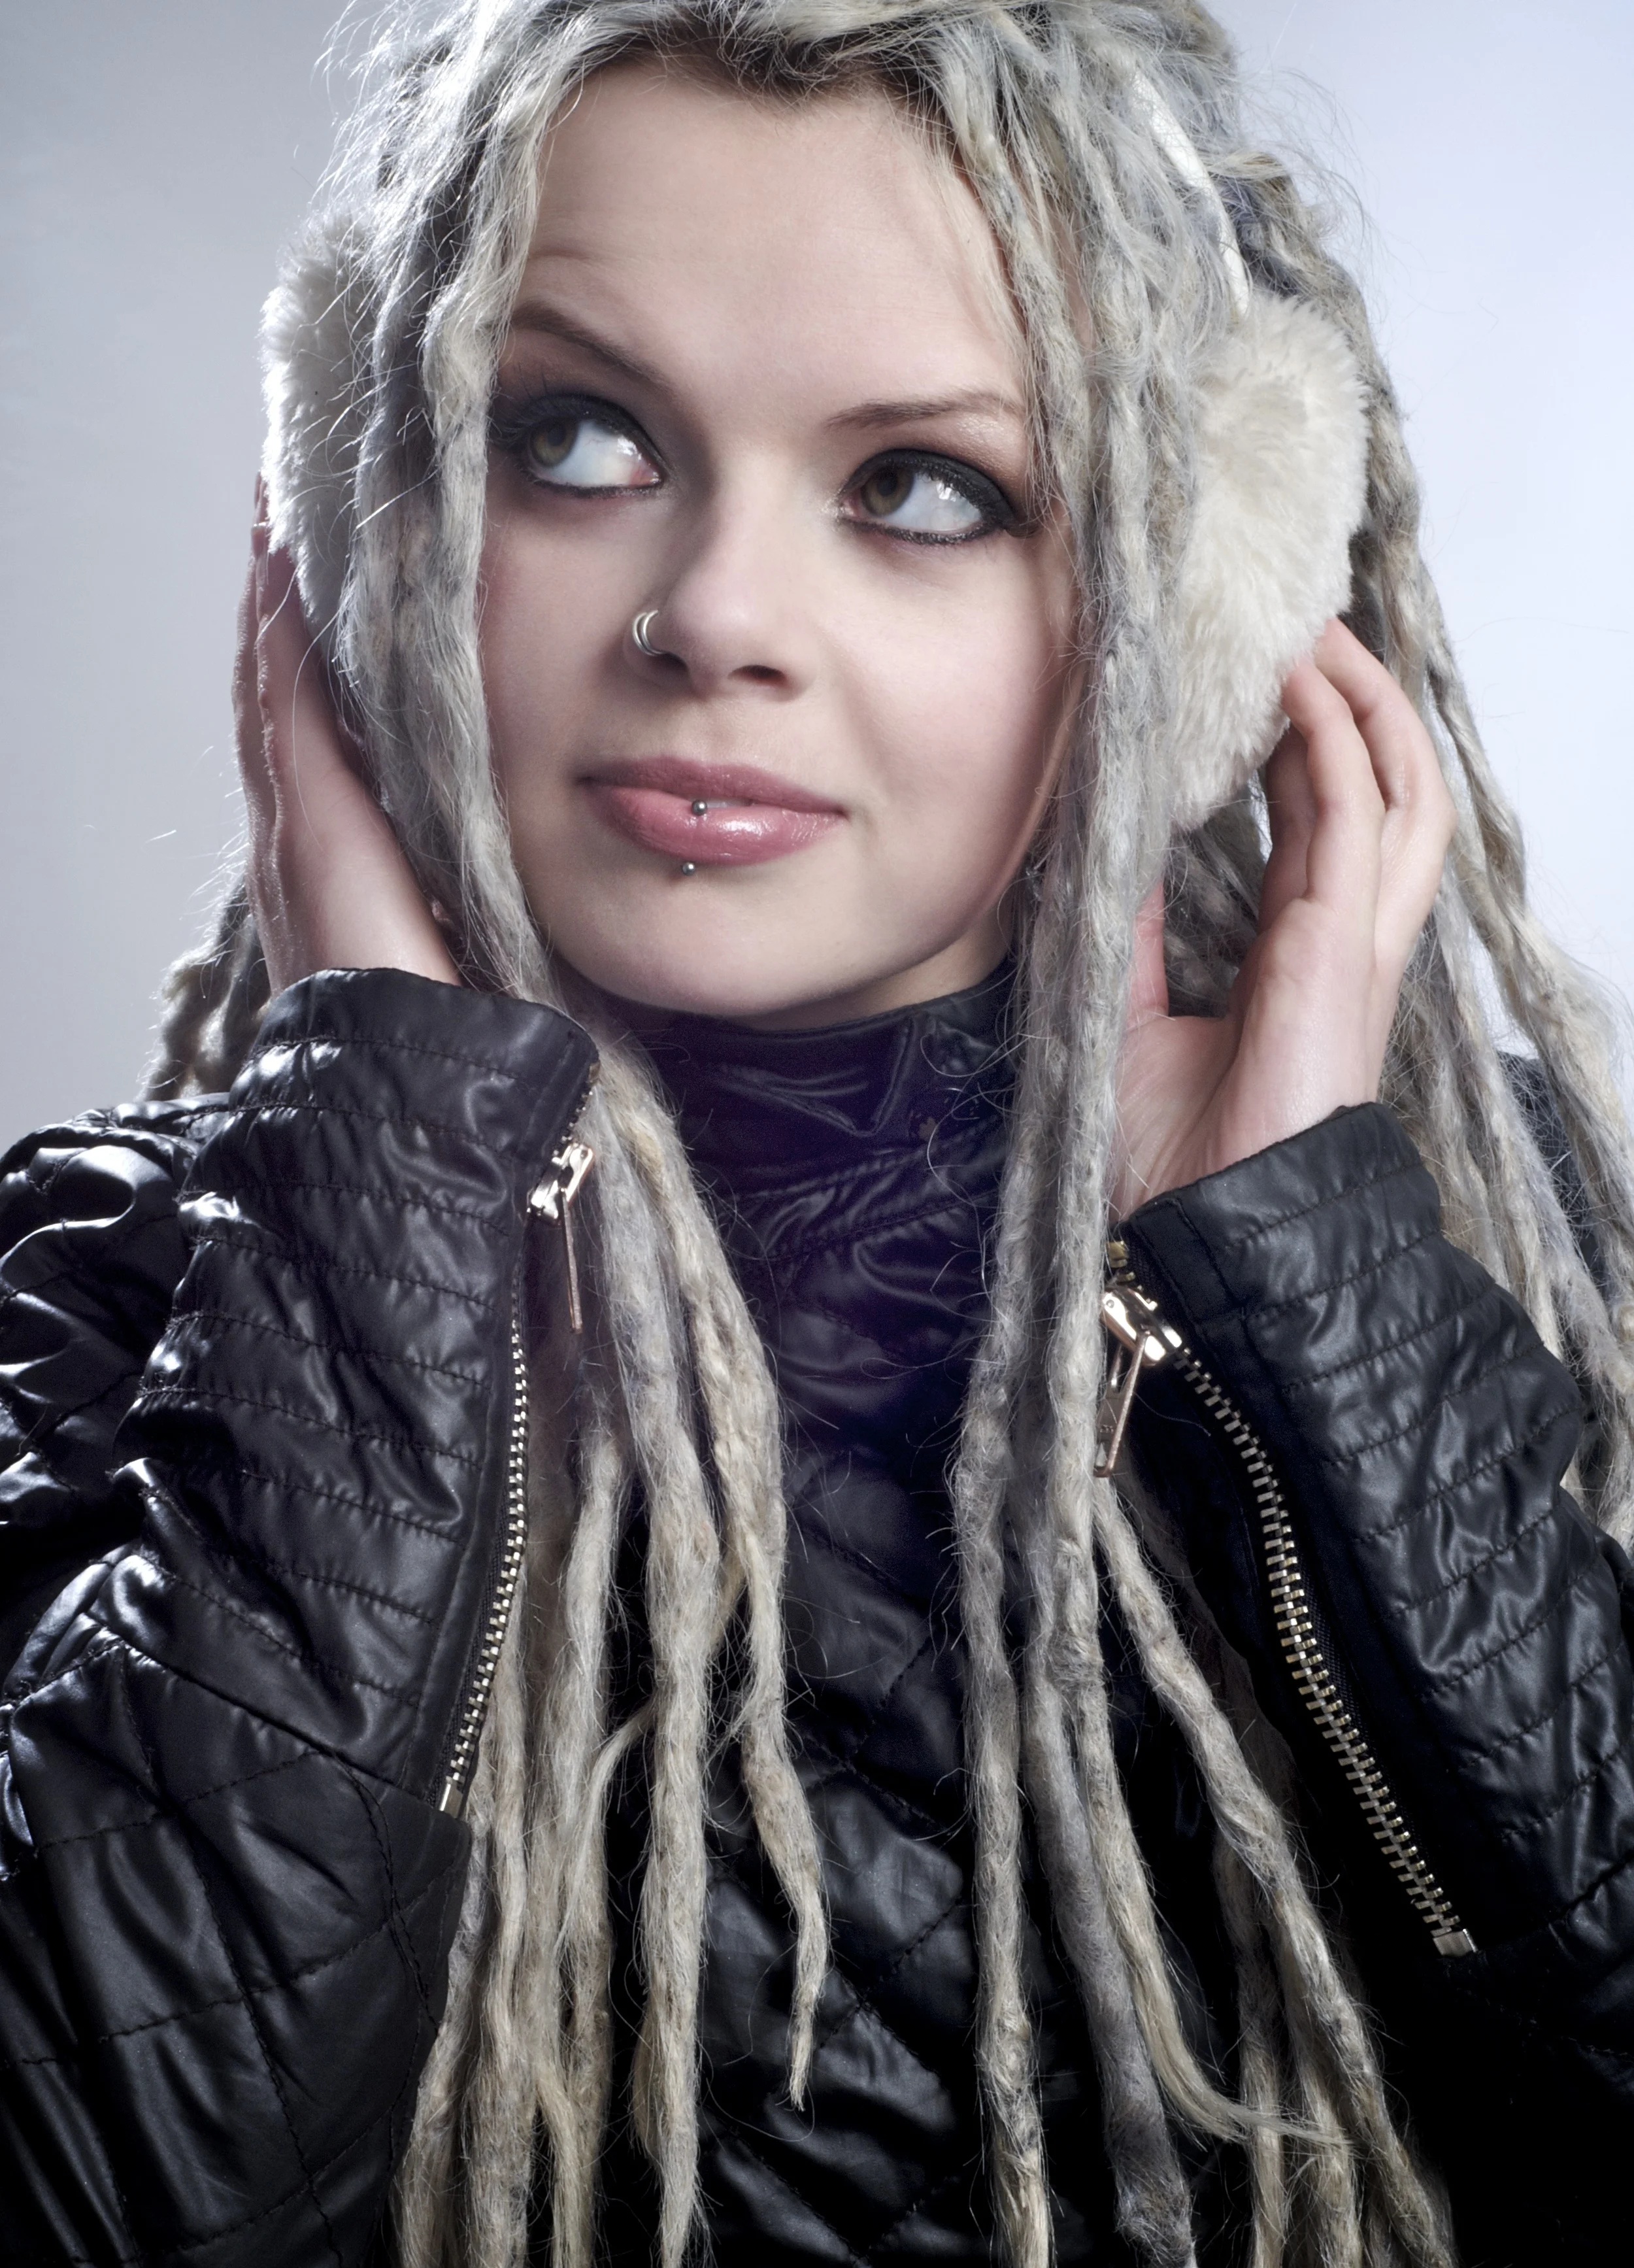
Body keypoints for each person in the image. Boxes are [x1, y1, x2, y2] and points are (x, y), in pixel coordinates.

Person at [2, 3, 1631, 2263]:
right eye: (575, 438)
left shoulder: (1492, 1251)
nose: (712, 618)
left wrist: (1296, 1292)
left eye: (923, 488)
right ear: (374, 512)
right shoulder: (111, 1289)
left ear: (1186, 605)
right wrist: (386, 1162)